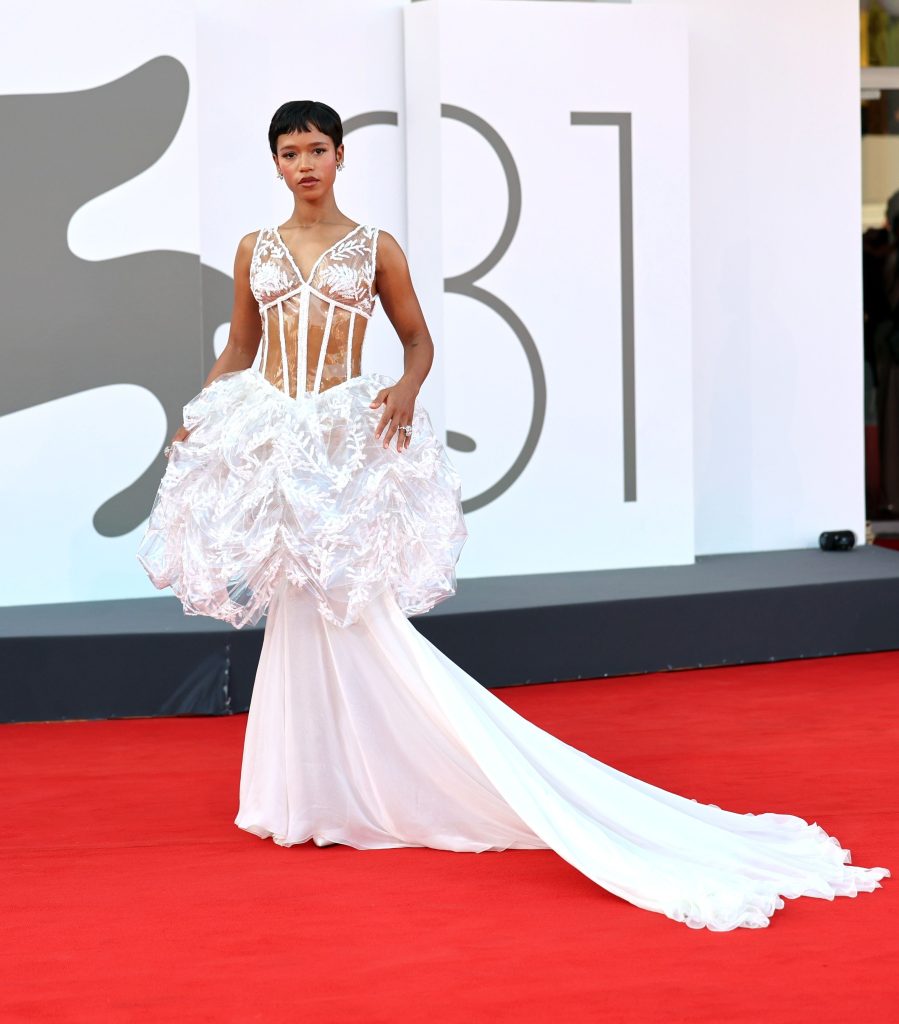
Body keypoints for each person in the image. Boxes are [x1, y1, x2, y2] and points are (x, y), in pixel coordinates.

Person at [138, 101, 888, 931]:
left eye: (316, 148)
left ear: (341, 156)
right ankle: (309, 790)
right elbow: (242, 347)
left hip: (345, 439)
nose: (304, 163)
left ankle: (408, 776)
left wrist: (404, 389)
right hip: (281, 439)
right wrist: (201, 412)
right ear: (274, 164)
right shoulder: (256, 249)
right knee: (297, 609)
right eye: (289, 152)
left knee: (358, 612)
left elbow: (417, 339)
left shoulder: (374, 248)